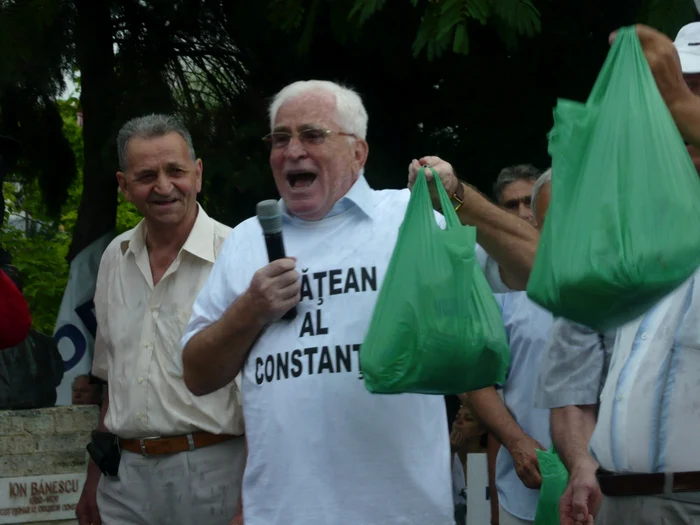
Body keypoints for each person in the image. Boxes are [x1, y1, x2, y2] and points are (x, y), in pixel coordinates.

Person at [180, 79, 539, 525]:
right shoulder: (246, 241)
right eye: (280, 138)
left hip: (401, 512)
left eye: (312, 135)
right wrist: (249, 311)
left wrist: (459, 199)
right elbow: (196, 374)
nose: (292, 151)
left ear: (358, 152)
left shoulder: (408, 219)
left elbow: (537, 268)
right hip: (280, 514)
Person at [535, 24, 700, 525]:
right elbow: (572, 379)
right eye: (678, 85)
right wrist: (584, 463)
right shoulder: (627, 235)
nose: (678, 108)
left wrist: (676, 97)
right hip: (619, 502)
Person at [76, 114, 245, 525]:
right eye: (147, 175)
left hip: (214, 472)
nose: (164, 187)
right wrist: (93, 478)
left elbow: (264, 392)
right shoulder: (114, 259)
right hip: (125, 480)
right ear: (124, 185)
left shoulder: (239, 253)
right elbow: (112, 381)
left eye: (176, 171)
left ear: (198, 174)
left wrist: (249, 500)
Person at [468, 168, 553, 525]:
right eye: (510, 205)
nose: (521, 213)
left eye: (527, 203)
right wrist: (515, 439)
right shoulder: (496, 297)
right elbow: (475, 379)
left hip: (608, 485)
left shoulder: (620, 286)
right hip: (521, 480)